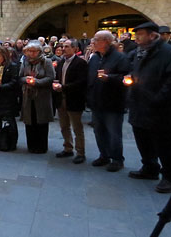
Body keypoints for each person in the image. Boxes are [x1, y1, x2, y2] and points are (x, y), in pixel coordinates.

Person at [126, 22, 171, 193]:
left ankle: (168, 176)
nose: (136, 38)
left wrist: (158, 99)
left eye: (140, 34)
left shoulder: (166, 53)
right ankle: (149, 167)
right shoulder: (140, 53)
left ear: (152, 36)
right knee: (142, 138)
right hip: (139, 104)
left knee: (163, 143)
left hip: (159, 108)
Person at [87, 31, 130, 172]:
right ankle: (104, 155)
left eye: (96, 39)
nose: (93, 41)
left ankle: (117, 159)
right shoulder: (95, 58)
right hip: (97, 101)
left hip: (113, 102)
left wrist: (109, 78)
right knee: (99, 131)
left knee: (113, 132)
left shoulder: (120, 57)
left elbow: (126, 78)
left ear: (105, 41)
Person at [53, 39, 88, 164]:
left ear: (75, 49)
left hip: (74, 99)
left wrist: (64, 87)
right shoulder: (61, 62)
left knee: (77, 127)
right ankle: (68, 147)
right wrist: (56, 84)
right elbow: (58, 78)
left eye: (67, 46)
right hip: (61, 98)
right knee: (64, 126)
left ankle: (80, 152)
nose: (63, 49)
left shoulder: (80, 63)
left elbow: (81, 82)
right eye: (63, 46)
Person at [19, 40, 54, 153]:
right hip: (28, 96)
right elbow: (20, 77)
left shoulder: (46, 62)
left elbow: (50, 78)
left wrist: (36, 82)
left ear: (39, 51)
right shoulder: (25, 62)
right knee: (30, 120)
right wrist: (27, 80)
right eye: (29, 51)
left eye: (34, 51)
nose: (31, 53)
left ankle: (41, 146)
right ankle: (31, 145)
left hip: (41, 96)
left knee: (41, 121)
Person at [0, 46, 19, 150]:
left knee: (9, 121)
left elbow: (14, 81)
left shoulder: (12, 66)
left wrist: (1, 87)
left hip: (8, 98)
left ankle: (11, 142)